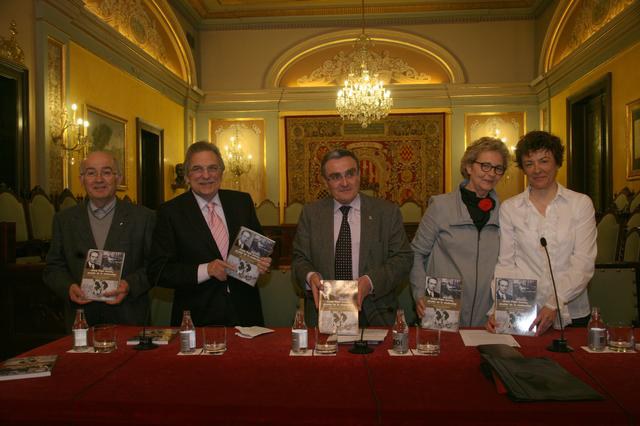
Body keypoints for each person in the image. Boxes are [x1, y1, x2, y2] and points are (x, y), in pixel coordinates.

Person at [148, 141, 271, 327]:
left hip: (246, 313)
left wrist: (263, 262)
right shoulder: (170, 212)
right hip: (197, 317)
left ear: (221, 172)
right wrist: (207, 270)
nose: (206, 175)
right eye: (197, 169)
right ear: (187, 175)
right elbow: (158, 271)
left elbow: (259, 249)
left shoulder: (242, 202)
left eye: (212, 168)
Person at [486, 131, 596, 335]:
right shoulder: (510, 208)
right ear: (523, 168)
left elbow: (584, 262)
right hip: (525, 313)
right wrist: (501, 308)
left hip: (571, 311)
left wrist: (554, 303)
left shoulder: (580, 204)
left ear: (557, 162)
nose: (537, 170)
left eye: (544, 161)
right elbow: (506, 264)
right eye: (529, 163)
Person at [291, 149, 412, 327]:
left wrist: (370, 282)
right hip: (324, 315)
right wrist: (310, 276)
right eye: (336, 177)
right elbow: (299, 259)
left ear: (359, 175)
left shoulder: (387, 212)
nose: (345, 183)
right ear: (325, 182)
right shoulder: (311, 214)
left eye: (350, 174)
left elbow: (403, 258)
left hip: (376, 314)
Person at [44, 151, 156, 328]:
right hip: (82, 321)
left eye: (106, 172)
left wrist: (129, 285)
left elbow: (155, 266)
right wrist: (68, 287)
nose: (98, 179)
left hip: (129, 319)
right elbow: (53, 267)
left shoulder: (144, 218)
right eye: (91, 173)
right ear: (82, 179)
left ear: (118, 178)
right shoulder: (63, 220)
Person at [410, 137, 509, 327]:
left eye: (498, 168)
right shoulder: (440, 206)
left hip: (487, 318)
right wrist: (420, 293)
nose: (491, 174)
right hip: (442, 312)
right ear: (469, 167)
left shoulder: (506, 212)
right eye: (485, 166)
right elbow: (416, 253)